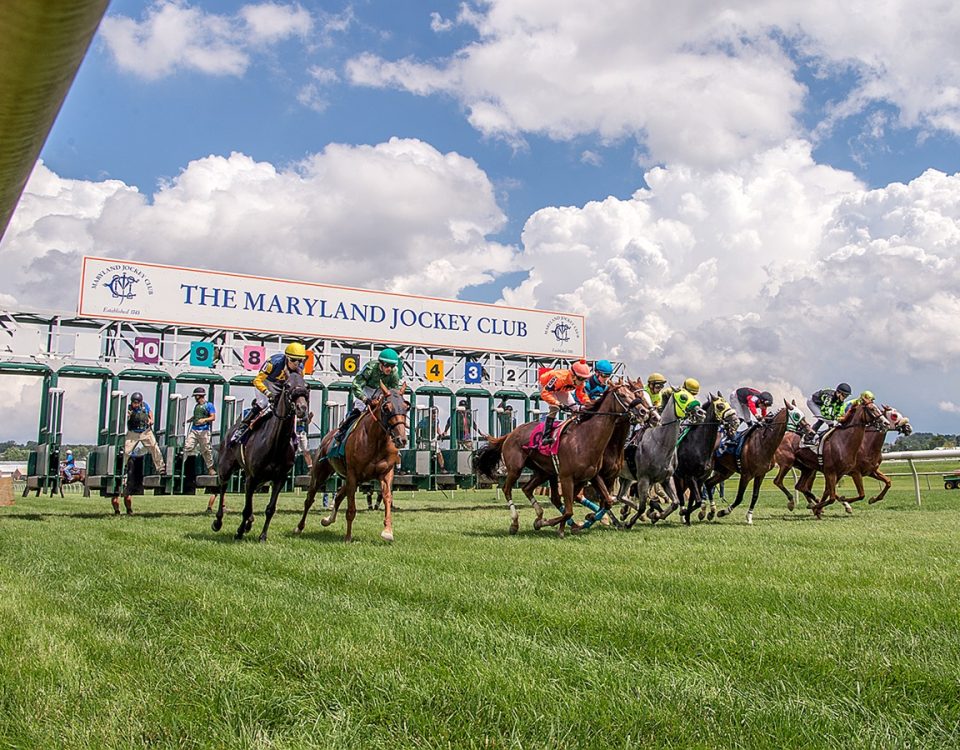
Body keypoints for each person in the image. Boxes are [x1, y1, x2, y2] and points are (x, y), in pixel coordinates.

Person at [232, 343, 308, 443]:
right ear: (286, 357)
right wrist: (267, 393)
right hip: (266, 382)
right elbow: (257, 380)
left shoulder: (301, 369)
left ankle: (292, 433)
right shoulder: (273, 363)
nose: (296, 364)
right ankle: (242, 427)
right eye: (293, 360)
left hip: (282, 385)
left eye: (300, 360)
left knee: (288, 406)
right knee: (262, 403)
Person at [333, 348, 403, 444]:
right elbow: (356, 384)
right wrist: (365, 399)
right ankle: (342, 432)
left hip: (382, 392)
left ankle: (396, 438)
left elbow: (394, 392)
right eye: (387, 365)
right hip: (366, 389)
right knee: (358, 411)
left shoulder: (394, 373)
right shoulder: (370, 368)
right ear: (381, 363)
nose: (389, 369)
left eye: (392, 366)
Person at [538, 360, 591, 445]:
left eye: (585, 379)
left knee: (575, 408)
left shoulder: (580, 382)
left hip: (561, 389)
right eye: (581, 379)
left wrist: (588, 403)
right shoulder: (559, 377)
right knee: (555, 408)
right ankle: (545, 437)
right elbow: (545, 393)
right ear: (573, 376)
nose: (583, 382)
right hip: (545, 387)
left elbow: (581, 394)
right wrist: (558, 403)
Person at [124, 391, 165, 475]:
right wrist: (128, 415)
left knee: (154, 447)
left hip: (146, 432)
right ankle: (123, 467)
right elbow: (126, 416)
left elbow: (150, 412)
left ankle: (160, 467)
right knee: (126, 451)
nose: (135, 404)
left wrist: (151, 420)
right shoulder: (129, 408)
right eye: (133, 402)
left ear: (140, 402)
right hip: (133, 433)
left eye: (136, 402)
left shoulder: (144, 406)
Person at [184, 386, 216, 475]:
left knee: (206, 450)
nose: (195, 398)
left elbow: (213, 417)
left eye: (195, 396)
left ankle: (210, 468)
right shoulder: (197, 406)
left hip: (204, 430)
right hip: (194, 429)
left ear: (199, 396)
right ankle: (184, 465)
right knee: (187, 447)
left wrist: (204, 420)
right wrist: (190, 419)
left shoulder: (209, 405)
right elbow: (197, 416)